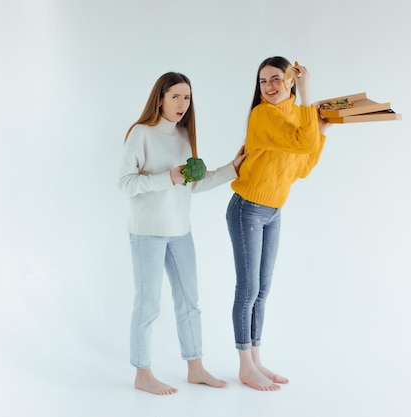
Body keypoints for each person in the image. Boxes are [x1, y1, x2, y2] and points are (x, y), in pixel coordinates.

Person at [119, 72, 247, 395]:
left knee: (189, 301)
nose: (182, 104)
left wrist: (233, 168)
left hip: (181, 231)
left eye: (187, 98)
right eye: (175, 96)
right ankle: (142, 373)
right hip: (146, 232)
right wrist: (167, 178)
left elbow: (195, 183)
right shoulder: (140, 134)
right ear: (159, 97)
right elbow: (126, 183)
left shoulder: (184, 135)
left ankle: (195, 367)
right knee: (148, 303)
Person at [226, 57, 329, 391]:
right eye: (262, 81)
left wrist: (321, 131)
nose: (269, 87)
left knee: (263, 289)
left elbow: (301, 168)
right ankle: (245, 365)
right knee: (249, 289)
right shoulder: (263, 114)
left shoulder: (299, 117)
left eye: (276, 79)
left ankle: (256, 360)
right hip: (248, 209)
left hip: (274, 211)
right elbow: (303, 142)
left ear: (290, 81)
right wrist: (310, 95)